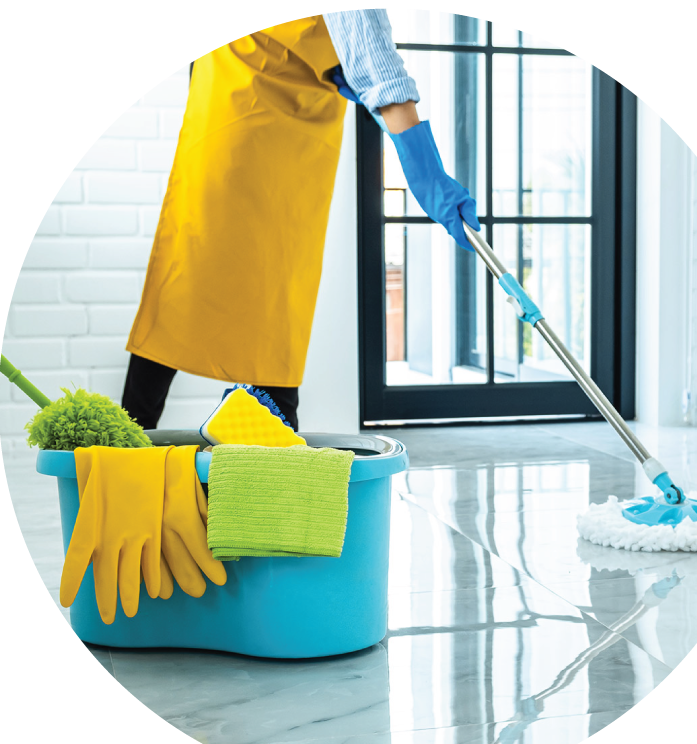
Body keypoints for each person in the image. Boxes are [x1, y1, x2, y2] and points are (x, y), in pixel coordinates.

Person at [121, 10, 479, 432]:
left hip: (285, 124)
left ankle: (255, 449)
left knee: (266, 299)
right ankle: (126, 452)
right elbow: (375, 63)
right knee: (193, 285)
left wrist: (333, 68)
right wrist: (425, 170)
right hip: (244, 110)